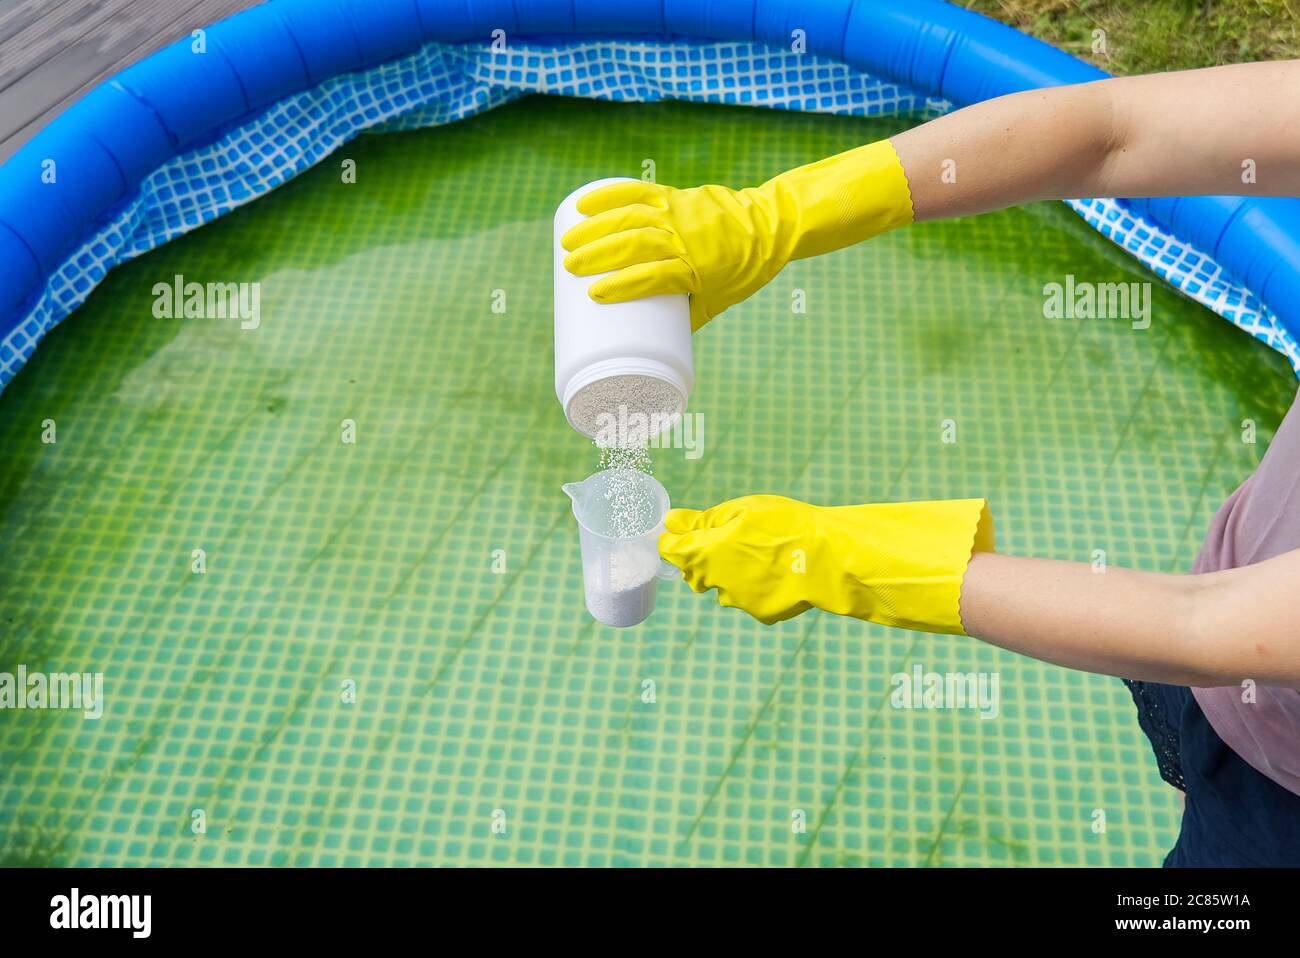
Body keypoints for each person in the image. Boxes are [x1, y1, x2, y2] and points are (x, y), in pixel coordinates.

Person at [561, 60, 1300, 867]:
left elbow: (1202, 625)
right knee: (1199, 769)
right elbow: (1114, 129)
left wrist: (841, 559)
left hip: (1281, 786)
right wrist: (771, 219)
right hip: (1232, 620)